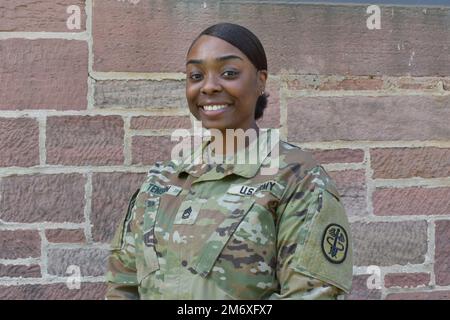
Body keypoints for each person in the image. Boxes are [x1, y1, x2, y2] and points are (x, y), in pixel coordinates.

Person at [105, 22, 353, 299]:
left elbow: (312, 295)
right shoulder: (161, 180)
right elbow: (122, 285)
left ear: (261, 80)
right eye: (196, 75)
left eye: (229, 73)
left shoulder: (297, 177)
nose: (209, 86)